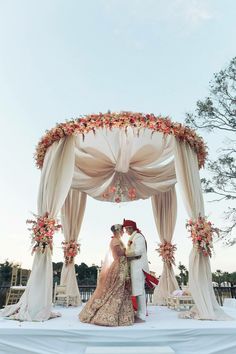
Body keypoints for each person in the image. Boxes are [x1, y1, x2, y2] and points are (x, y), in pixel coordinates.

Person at [79, 224, 134, 326]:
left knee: (121, 290)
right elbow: (120, 254)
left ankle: (121, 314)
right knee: (116, 290)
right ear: (117, 230)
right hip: (119, 268)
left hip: (122, 267)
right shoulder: (115, 241)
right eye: (122, 230)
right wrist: (129, 248)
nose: (123, 231)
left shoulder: (117, 240)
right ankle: (107, 314)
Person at [123, 219, 150, 322]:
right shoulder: (133, 237)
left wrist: (126, 254)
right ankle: (139, 312)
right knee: (137, 290)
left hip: (138, 266)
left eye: (127, 229)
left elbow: (139, 251)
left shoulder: (138, 237)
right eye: (125, 229)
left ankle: (142, 314)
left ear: (131, 228)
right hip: (135, 266)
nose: (126, 231)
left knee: (140, 290)